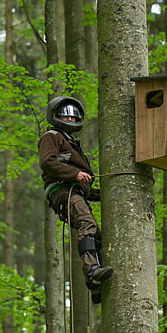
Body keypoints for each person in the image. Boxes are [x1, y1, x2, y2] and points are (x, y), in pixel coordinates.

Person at [38, 96, 113, 303]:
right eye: (65, 116)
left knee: (95, 234)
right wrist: (75, 175)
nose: (70, 120)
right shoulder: (52, 136)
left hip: (74, 191)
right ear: (56, 116)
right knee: (86, 224)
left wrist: (105, 192)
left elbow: (85, 188)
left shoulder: (70, 141)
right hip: (63, 191)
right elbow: (47, 162)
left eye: (73, 117)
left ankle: (95, 286)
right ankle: (92, 270)